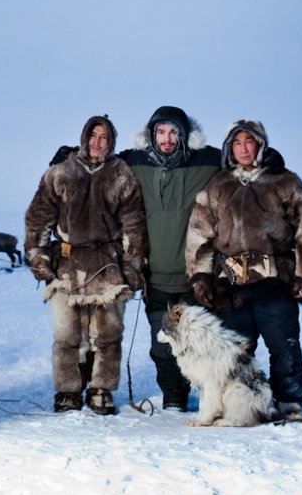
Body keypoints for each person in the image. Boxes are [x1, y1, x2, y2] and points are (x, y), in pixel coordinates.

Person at [184, 120, 302, 422]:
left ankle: (289, 402)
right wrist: (200, 276)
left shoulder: (286, 181)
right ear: (229, 148)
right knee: (233, 352)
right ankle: (239, 404)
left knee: (284, 344)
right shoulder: (217, 185)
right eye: (237, 143)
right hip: (231, 285)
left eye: (250, 141)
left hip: (275, 280)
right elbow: (199, 234)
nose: (244, 148)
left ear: (260, 143)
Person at [24, 114, 149, 415]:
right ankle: (68, 390)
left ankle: (101, 389)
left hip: (107, 265)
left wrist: (132, 265)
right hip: (67, 264)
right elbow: (38, 217)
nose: (98, 142)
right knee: (67, 334)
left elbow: (133, 223)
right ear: (84, 137)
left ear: (111, 142)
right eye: (93, 136)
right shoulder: (61, 172)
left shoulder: (121, 174)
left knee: (107, 334)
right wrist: (38, 257)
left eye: (104, 137)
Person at [117, 105, 221, 411]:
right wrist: (69, 156)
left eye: (174, 132)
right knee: (161, 343)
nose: (167, 138)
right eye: (161, 132)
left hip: (195, 275)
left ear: (185, 134)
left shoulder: (208, 161)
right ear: (150, 135)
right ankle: (174, 394)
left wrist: (271, 158)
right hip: (156, 275)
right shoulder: (134, 163)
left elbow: (245, 157)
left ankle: (207, 393)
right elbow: (98, 161)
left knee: (197, 341)